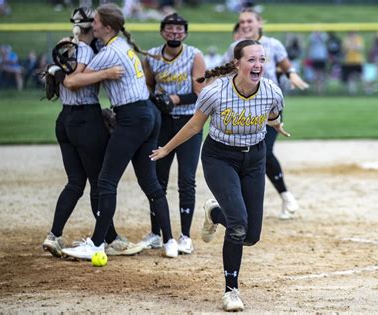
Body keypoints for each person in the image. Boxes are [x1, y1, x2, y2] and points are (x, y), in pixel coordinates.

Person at [150, 39, 291, 312]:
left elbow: (273, 115)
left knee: (251, 236)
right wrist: (167, 148)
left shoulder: (272, 91)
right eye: (251, 59)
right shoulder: (215, 93)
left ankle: (215, 213)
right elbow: (194, 126)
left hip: (254, 158)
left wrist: (277, 125)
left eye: (261, 59)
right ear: (237, 63)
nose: (258, 65)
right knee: (238, 225)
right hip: (220, 157)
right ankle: (231, 291)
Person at [60, 3, 178, 260]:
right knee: (150, 182)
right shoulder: (119, 46)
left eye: (97, 21)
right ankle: (170, 241)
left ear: (108, 27)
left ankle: (97, 244)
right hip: (148, 114)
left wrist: (79, 68)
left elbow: (72, 81)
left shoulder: (109, 52)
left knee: (105, 181)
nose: (93, 24)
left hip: (132, 118)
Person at [41, 7, 143, 258]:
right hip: (85, 119)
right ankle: (110, 239)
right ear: (93, 27)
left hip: (65, 119)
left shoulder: (69, 47)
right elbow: (72, 81)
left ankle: (53, 236)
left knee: (76, 182)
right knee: (100, 182)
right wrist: (107, 73)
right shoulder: (86, 49)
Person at [223, 8, 309, 220]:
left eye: (249, 21)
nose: (245, 25)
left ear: (259, 23)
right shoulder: (234, 48)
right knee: (246, 153)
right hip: (242, 111)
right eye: (242, 21)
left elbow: (285, 64)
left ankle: (284, 195)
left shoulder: (273, 44)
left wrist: (292, 74)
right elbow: (225, 73)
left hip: (269, 107)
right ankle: (247, 201)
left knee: (264, 151)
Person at [139, 13, 206, 254]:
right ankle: (156, 233)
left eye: (179, 29)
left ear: (185, 33)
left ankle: (185, 236)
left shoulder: (193, 55)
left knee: (186, 179)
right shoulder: (152, 56)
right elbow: (148, 86)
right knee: (158, 178)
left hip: (189, 122)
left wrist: (173, 99)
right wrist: (151, 100)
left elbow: (200, 91)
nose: (174, 33)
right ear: (162, 32)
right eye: (170, 29)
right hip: (162, 123)